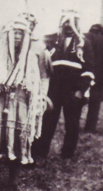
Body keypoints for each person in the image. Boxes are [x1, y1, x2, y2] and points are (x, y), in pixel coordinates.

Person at [0, 14, 48, 188]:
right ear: (8, 35)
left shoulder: (31, 57)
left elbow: (36, 82)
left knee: (18, 137)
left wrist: (33, 95)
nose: (17, 37)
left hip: (20, 103)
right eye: (14, 33)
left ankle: (13, 178)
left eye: (21, 33)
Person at [33, 11, 94, 161]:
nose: (68, 26)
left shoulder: (84, 43)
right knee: (47, 122)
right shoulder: (52, 41)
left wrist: (80, 90)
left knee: (72, 124)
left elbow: (89, 69)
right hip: (53, 90)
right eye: (65, 23)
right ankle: (40, 152)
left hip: (73, 91)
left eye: (72, 23)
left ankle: (67, 154)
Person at [83, 23, 103, 133]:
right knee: (94, 105)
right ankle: (89, 128)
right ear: (101, 32)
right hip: (99, 78)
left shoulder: (83, 37)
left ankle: (73, 126)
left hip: (82, 75)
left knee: (77, 102)